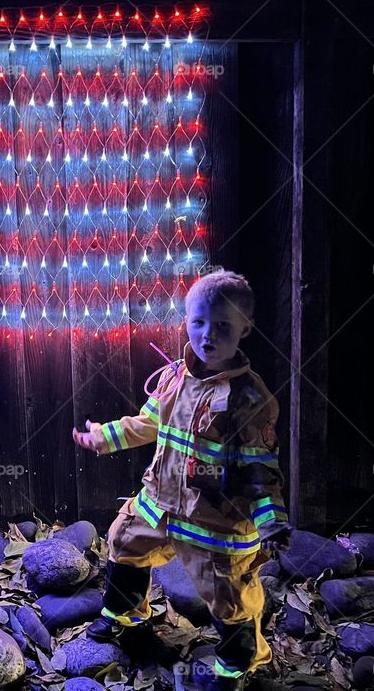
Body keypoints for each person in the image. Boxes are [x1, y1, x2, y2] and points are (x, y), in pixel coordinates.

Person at [72, 270, 292, 691]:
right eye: (199, 323)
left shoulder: (250, 400)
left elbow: (261, 471)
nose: (208, 335)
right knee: (122, 542)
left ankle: (237, 665)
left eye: (223, 326)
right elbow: (145, 424)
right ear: (186, 321)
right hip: (158, 502)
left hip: (215, 520)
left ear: (244, 329)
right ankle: (125, 614)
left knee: (228, 594)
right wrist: (102, 437)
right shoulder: (175, 378)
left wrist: (270, 522)